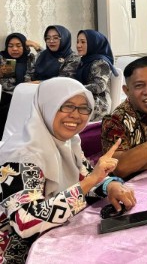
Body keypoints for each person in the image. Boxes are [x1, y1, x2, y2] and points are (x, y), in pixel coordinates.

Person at [0, 78, 136, 263]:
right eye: (67, 106)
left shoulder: (69, 142)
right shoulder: (22, 155)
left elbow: (87, 176)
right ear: (47, 106)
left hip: (57, 237)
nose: (76, 115)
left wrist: (110, 185)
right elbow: (25, 222)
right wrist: (90, 181)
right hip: (17, 252)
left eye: (83, 108)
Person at [75, 29, 118, 121]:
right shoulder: (84, 61)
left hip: (99, 105)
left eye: (83, 42)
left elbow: (99, 86)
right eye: (77, 42)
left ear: (93, 43)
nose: (78, 45)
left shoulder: (100, 62)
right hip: (84, 99)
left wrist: (75, 88)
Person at [0, 33, 37, 135]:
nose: (14, 49)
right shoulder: (2, 58)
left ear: (24, 47)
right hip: (5, 95)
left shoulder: (30, 58)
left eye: (18, 45)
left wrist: (37, 46)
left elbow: (46, 59)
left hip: (25, 95)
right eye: (10, 46)